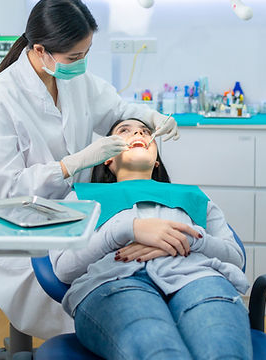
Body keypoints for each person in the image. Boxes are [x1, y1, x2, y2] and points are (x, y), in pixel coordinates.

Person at [0, 0, 179, 339]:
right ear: (40, 51)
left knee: (129, 276)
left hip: (76, 214)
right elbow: (8, 188)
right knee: (103, 297)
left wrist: (150, 116)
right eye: (74, 56)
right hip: (20, 226)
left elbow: (115, 111)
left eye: (85, 54)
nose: (80, 63)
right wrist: (72, 165)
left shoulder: (73, 77)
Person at [50, 118, 253, 359]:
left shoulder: (194, 196)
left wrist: (187, 240)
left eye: (146, 132)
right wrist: (126, 229)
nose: (137, 132)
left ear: (156, 161)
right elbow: (64, 268)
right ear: (108, 158)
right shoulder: (80, 198)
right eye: (124, 131)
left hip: (198, 278)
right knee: (160, 353)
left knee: (224, 353)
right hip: (115, 283)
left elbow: (235, 258)